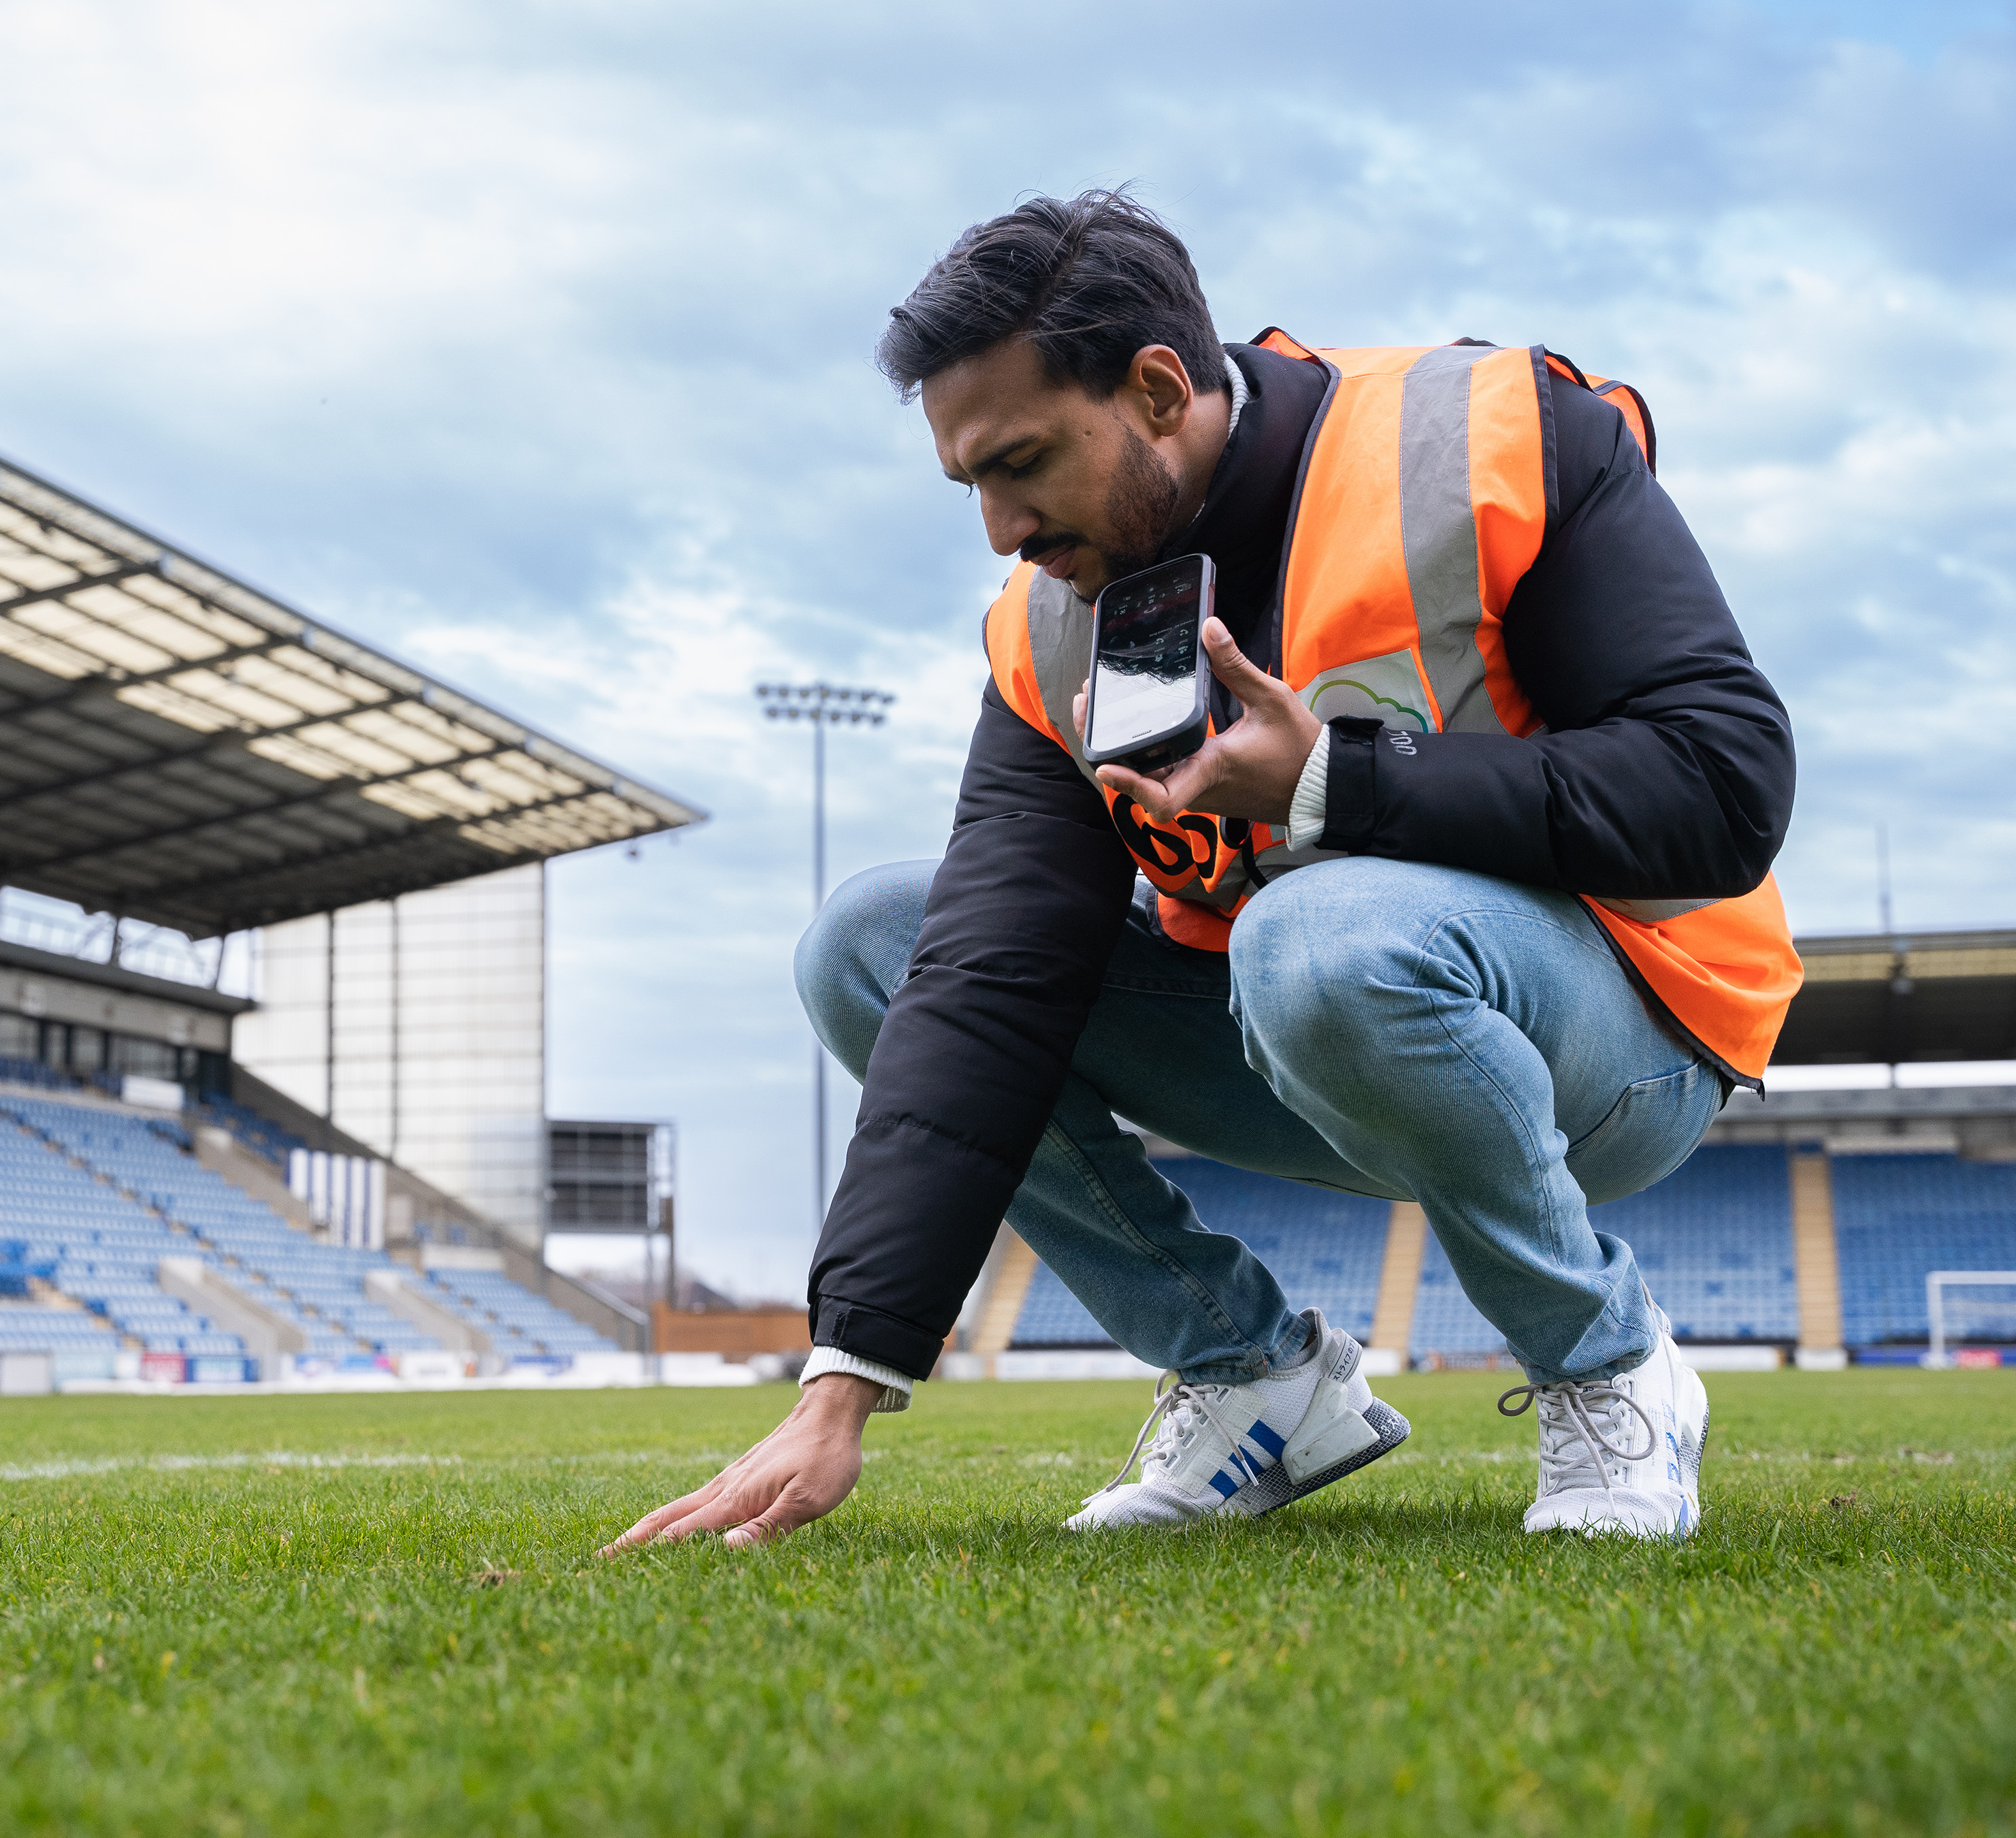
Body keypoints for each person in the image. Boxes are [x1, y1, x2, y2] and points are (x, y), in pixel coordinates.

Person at [606, 191, 1800, 1556]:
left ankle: (1607, 1367)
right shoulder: (1053, 621)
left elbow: (1724, 789)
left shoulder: (1484, 439)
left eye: (1024, 463)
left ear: (1161, 389)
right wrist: (847, 1375)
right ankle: (1255, 1378)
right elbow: (987, 975)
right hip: (1311, 1032)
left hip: (1624, 1040)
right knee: (873, 940)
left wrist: (1338, 782)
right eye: (971, 485)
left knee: (1314, 933)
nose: (1000, 529)